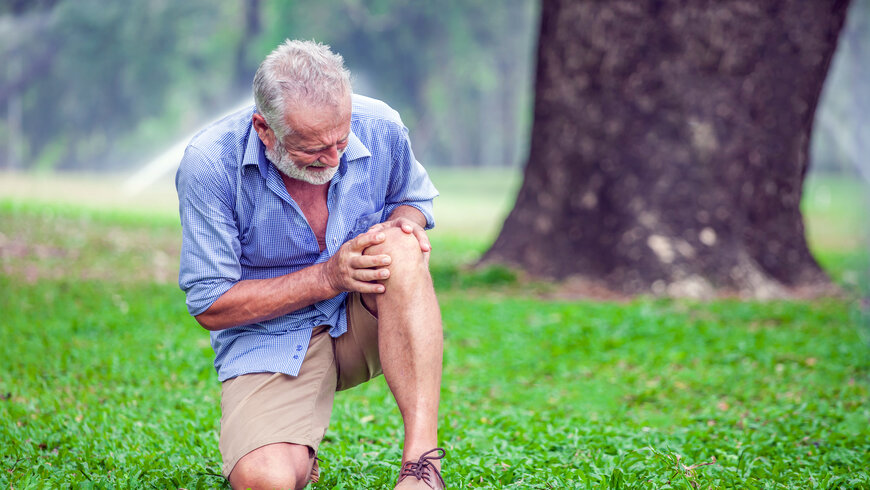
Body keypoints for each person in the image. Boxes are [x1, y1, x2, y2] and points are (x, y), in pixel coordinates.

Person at [175, 39, 446, 490]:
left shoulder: (381, 126)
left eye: (341, 139)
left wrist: (404, 224)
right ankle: (291, 447)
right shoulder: (209, 165)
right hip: (268, 340)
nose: (335, 158)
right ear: (265, 129)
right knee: (265, 481)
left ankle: (422, 466)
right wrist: (326, 276)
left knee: (402, 245)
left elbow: (412, 199)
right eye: (314, 150)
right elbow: (210, 304)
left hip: (369, 322)